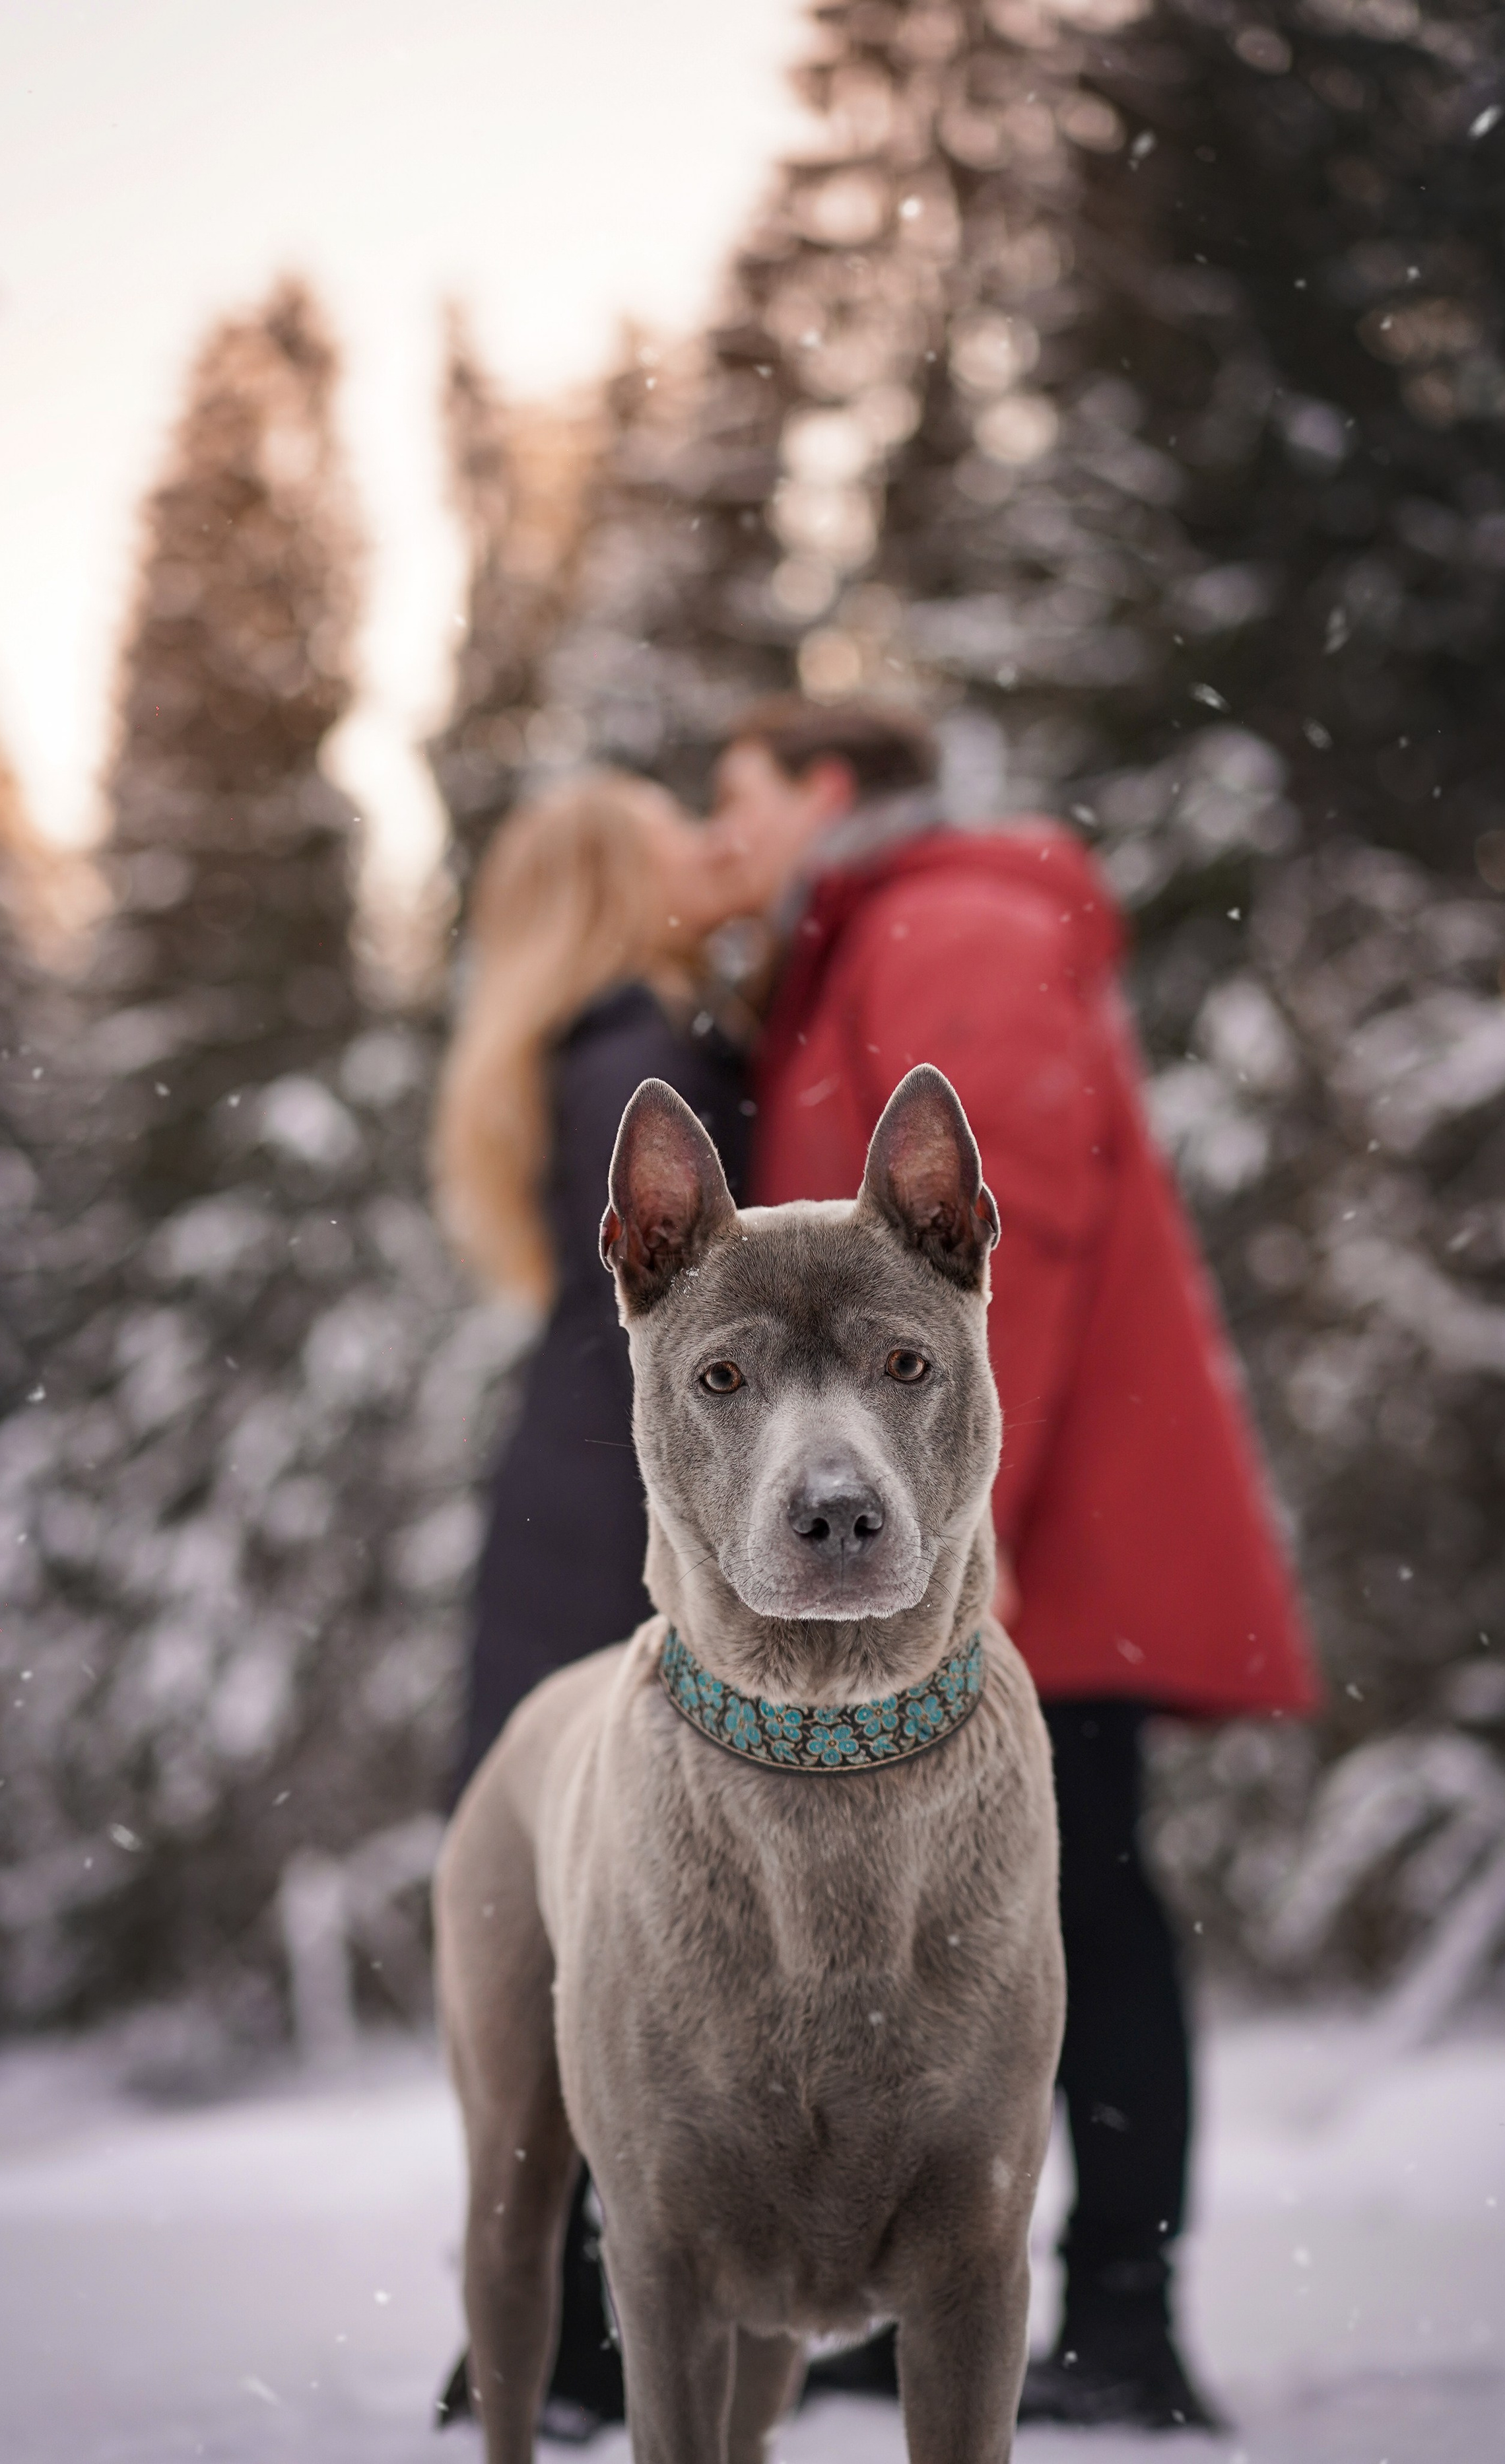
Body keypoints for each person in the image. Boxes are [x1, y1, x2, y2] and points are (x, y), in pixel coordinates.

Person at [707, 694, 1318, 2432]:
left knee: (1078, 1894)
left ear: (826, 791)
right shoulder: (880, 936)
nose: (720, 833)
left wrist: (953, 1525)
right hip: (1015, 1503)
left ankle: (1126, 2317)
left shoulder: (949, 923)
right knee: (1008, 1904)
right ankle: (1002, 2302)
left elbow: (1009, 1222)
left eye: (735, 797)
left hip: (1044, 1519)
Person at [432, 769, 752, 2440]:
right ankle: (565, 2344)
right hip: (610, 1505)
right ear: (618, 887)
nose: (718, 844)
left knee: (563, 1921)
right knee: (599, 1911)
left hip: (561, 1488)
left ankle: (542, 2326)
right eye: (677, 831)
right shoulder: (646, 1062)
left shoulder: (596, 1048)